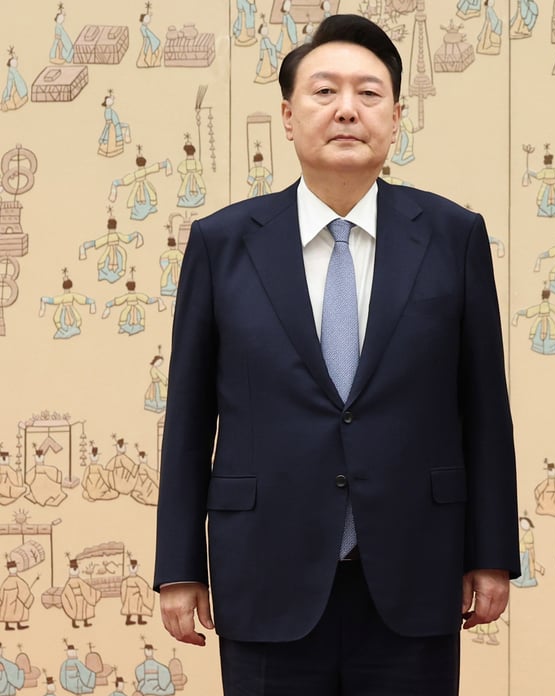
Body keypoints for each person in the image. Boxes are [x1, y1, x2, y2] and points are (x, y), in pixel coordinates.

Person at [154, 15, 519, 696]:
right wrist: (179, 566)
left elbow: (483, 411)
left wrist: (492, 555)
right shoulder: (223, 243)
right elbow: (189, 414)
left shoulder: (453, 236)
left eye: (369, 93)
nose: (348, 109)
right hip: (266, 570)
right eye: (325, 92)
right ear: (290, 117)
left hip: (417, 568)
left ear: (397, 116)